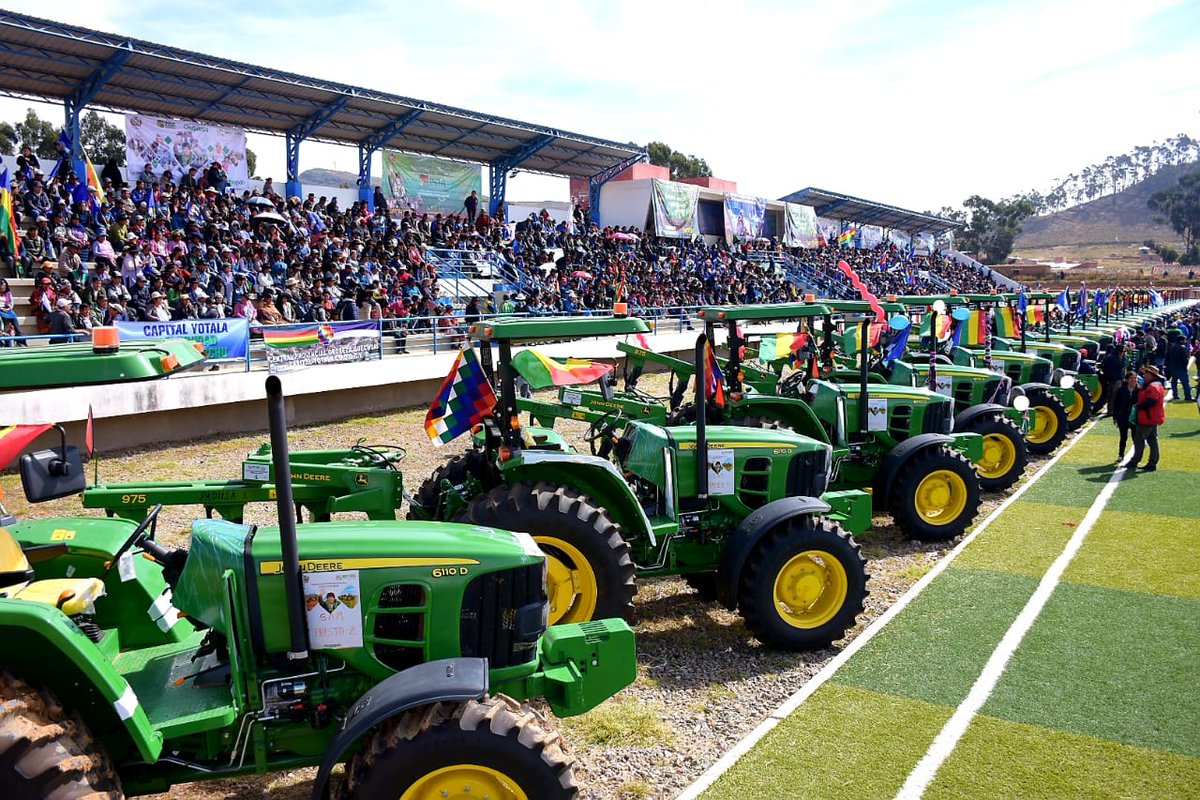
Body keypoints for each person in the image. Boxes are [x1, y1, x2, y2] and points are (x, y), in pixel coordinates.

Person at [1129, 364, 1166, 472]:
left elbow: (1151, 401)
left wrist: (1138, 406)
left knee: (1139, 439)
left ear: (1151, 374)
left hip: (1148, 417)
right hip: (1152, 417)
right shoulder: (1156, 385)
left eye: (1146, 373)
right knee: (1153, 440)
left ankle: (1135, 461)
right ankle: (1152, 462)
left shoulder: (1153, 387)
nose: (1144, 375)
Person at [1110, 370, 1138, 462]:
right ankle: (1121, 455)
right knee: (1123, 437)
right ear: (1127, 380)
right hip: (1123, 417)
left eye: (1135, 378)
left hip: (1134, 417)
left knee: (1135, 437)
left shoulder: (1139, 390)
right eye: (1132, 378)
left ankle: (1136, 455)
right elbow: (1116, 404)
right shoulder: (1121, 390)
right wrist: (1115, 417)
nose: (1134, 380)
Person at [1165, 334, 1193, 402]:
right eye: (1184, 340)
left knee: (1174, 383)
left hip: (1173, 367)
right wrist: (1185, 366)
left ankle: (1175, 395)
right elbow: (1185, 359)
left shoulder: (1172, 347)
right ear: (1181, 340)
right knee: (1185, 383)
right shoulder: (1182, 347)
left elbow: (1167, 357)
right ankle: (1188, 396)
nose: (1185, 341)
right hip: (1181, 368)